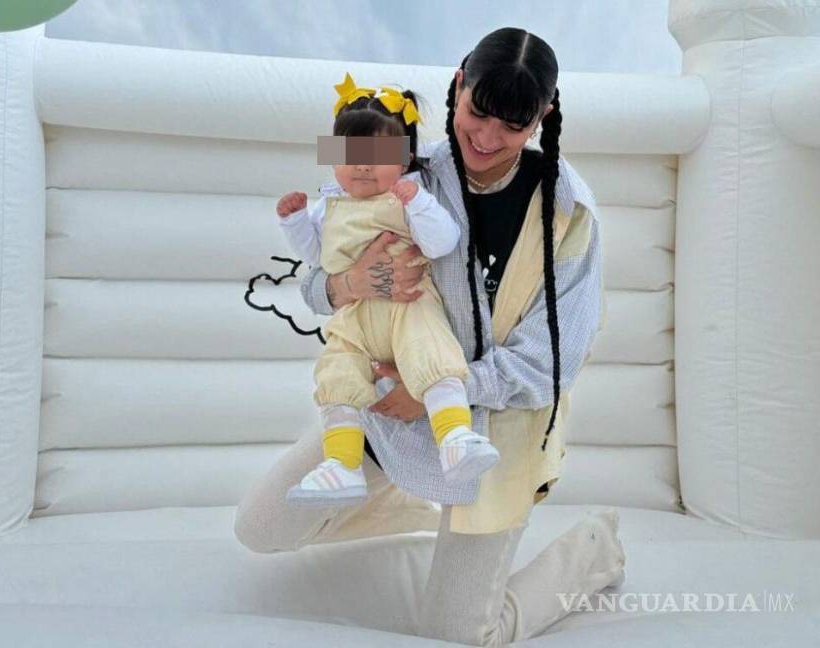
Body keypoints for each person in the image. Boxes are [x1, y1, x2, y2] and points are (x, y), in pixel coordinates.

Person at [236, 27, 625, 646]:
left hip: (493, 429)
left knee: (460, 634)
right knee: (259, 527)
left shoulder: (569, 211)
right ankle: (417, 501)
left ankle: (593, 551)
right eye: (478, 112)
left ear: (542, 119)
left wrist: (439, 389)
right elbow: (313, 281)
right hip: (390, 412)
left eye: (513, 126)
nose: (487, 138)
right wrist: (346, 284)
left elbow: (552, 362)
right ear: (458, 85)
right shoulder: (406, 170)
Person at [277, 73, 500, 508]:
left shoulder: (411, 196)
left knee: (432, 353)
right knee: (336, 373)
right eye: (350, 154)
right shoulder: (327, 206)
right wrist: (294, 223)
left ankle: (454, 436)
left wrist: (418, 203)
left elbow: (443, 242)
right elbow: (316, 257)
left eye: (377, 155)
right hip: (354, 318)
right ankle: (341, 465)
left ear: (403, 159)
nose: (362, 165)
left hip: (408, 307)